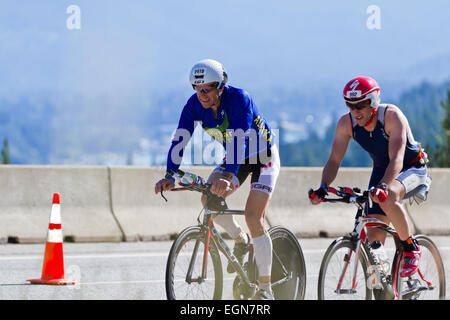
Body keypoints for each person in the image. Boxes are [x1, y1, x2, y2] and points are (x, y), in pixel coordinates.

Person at [154, 59, 280, 299]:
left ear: (220, 85)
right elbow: (180, 137)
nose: (201, 94)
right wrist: (170, 174)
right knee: (207, 199)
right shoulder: (194, 105)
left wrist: (229, 174)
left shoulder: (239, 99)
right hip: (237, 157)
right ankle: (240, 239)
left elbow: (240, 138)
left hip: (263, 156)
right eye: (196, 88)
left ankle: (266, 288)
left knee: (254, 216)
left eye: (207, 88)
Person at [309, 76, 430, 277]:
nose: (355, 111)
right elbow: (333, 161)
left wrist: (383, 186)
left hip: (411, 167)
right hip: (382, 170)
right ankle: (381, 286)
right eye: (350, 105)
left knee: (389, 195)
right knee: (374, 239)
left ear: (373, 101)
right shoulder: (345, 124)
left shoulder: (392, 117)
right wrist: (323, 187)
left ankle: (410, 247)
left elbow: (397, 160)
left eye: (361, 105)